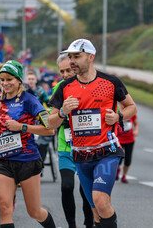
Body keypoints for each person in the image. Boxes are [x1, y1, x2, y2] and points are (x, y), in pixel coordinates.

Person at [48, 39, 137, 228]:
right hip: (81, 155)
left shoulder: (111, 82)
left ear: (90, 57)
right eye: (70, 57)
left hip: (107, 151)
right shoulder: (65, 87)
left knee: (101, 201)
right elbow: (51, 123)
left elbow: (131, 107)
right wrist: (63, 111)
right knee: (96, 212)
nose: (72, 61)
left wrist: (118, 117)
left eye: (76, 57)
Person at [0, 60, 56, 228]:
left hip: (27, 160)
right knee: (4, 208)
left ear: (18, 80)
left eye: (9, 79)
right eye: (2, 80)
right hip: (3, 160)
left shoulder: (30, 100)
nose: (5, 83)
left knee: (34, 211)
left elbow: (50, 129)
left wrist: (23, 127)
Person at [51, 54, 93, 228]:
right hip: (66, 146)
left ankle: (89, 223)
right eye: (61, 71)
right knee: (67, 187)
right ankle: (72, 225)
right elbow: (52, 121)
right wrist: (63, 111)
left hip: (87, 148)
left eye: (68, 70)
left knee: (85, 191)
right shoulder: (59, 89)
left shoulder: (88, 86)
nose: (65, 74)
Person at [116, 103, 138, 184]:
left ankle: (124, 176)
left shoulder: (131, 112)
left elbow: (136, 124)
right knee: (119, 158)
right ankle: (117, 171)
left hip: (130, 140)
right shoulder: (116, 111)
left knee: (128, 159)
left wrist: (136, 130)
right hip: (119, 140)